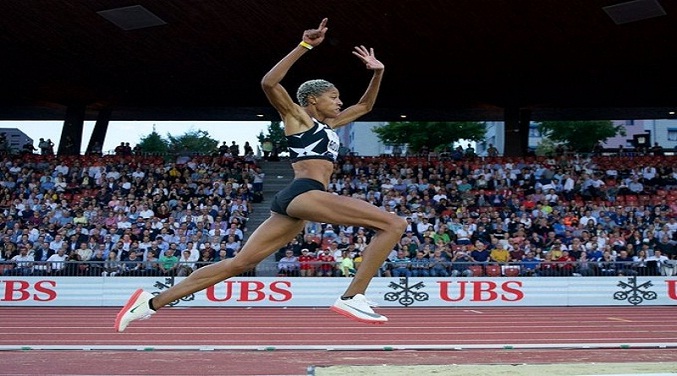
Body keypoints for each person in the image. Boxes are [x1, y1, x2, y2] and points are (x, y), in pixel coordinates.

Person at [115, 18, 403, 331]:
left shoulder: (328, 126)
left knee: (241, 262)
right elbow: (269, 83)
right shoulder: (298, 118)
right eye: (333, 96)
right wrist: (304, 46)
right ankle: (353, 296)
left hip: (296, 201)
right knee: (393, 224)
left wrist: (378, 72)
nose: (340, 101)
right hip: (305, 192)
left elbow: (364, 106)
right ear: (312, 100)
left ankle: (150, 303)